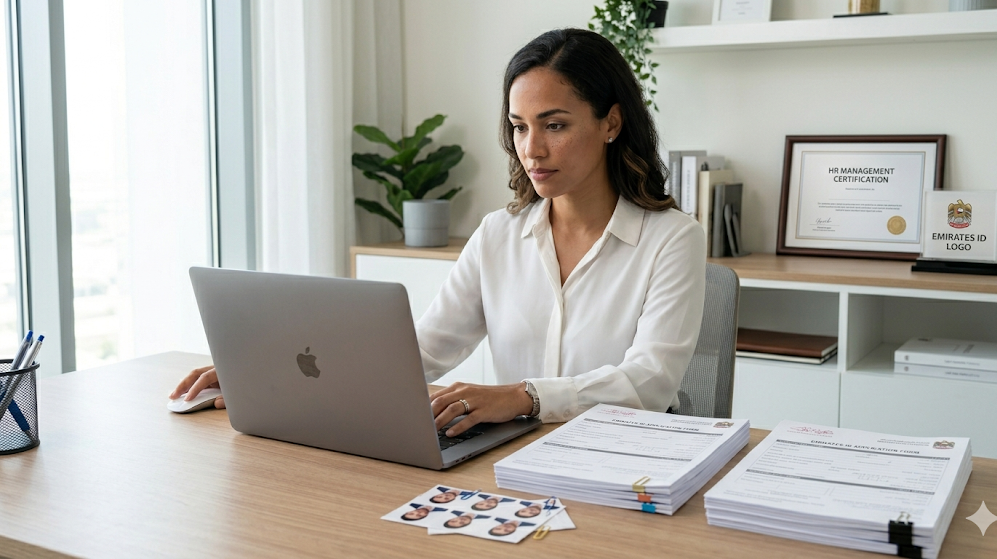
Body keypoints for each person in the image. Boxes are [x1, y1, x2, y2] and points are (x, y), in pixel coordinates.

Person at [169, 28, 705, 438]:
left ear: (611, 123)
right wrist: (263, 372)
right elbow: (418, 351)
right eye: (520, 126)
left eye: (555, 124)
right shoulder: (500, 234)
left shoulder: (672, 239)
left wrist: (521, 397)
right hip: (512, 461)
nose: (532, 148)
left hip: (625, 463)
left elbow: (649, 382)